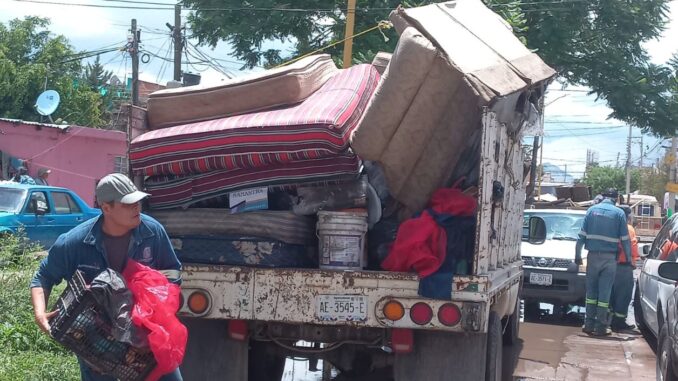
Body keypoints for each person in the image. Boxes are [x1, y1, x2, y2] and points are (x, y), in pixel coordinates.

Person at [29, 173, 183, 381]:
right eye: (128, 204)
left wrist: (156, 309)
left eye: (138, 201)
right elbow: (43, 277)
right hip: (97, 342)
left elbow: (172, 275)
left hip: (148, 338)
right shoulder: (75, 242)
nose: (137, 208)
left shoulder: (153, 232)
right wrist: (40, 314)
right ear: (106, 208)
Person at [575, 188, 632, 336]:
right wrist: (628, 259)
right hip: (609, 260)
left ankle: (588, 325)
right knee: (604, 294)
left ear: (603, 196)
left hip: (592, 257)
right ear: (616, 198)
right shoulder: (619, 213)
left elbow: (581, 236)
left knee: (591, 292)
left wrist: (577, 255)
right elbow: (625, 240)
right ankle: (601, 327)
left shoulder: (591, 211)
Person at [609, 205, 639, 332]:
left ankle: (607, 320)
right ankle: (619, 322)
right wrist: (633, 260)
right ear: (628, 216)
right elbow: (632, 247)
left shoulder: (610, 227)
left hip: (609, 265)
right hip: (623, 266)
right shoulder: (629, 228)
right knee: (624, 295)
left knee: (610, 294)